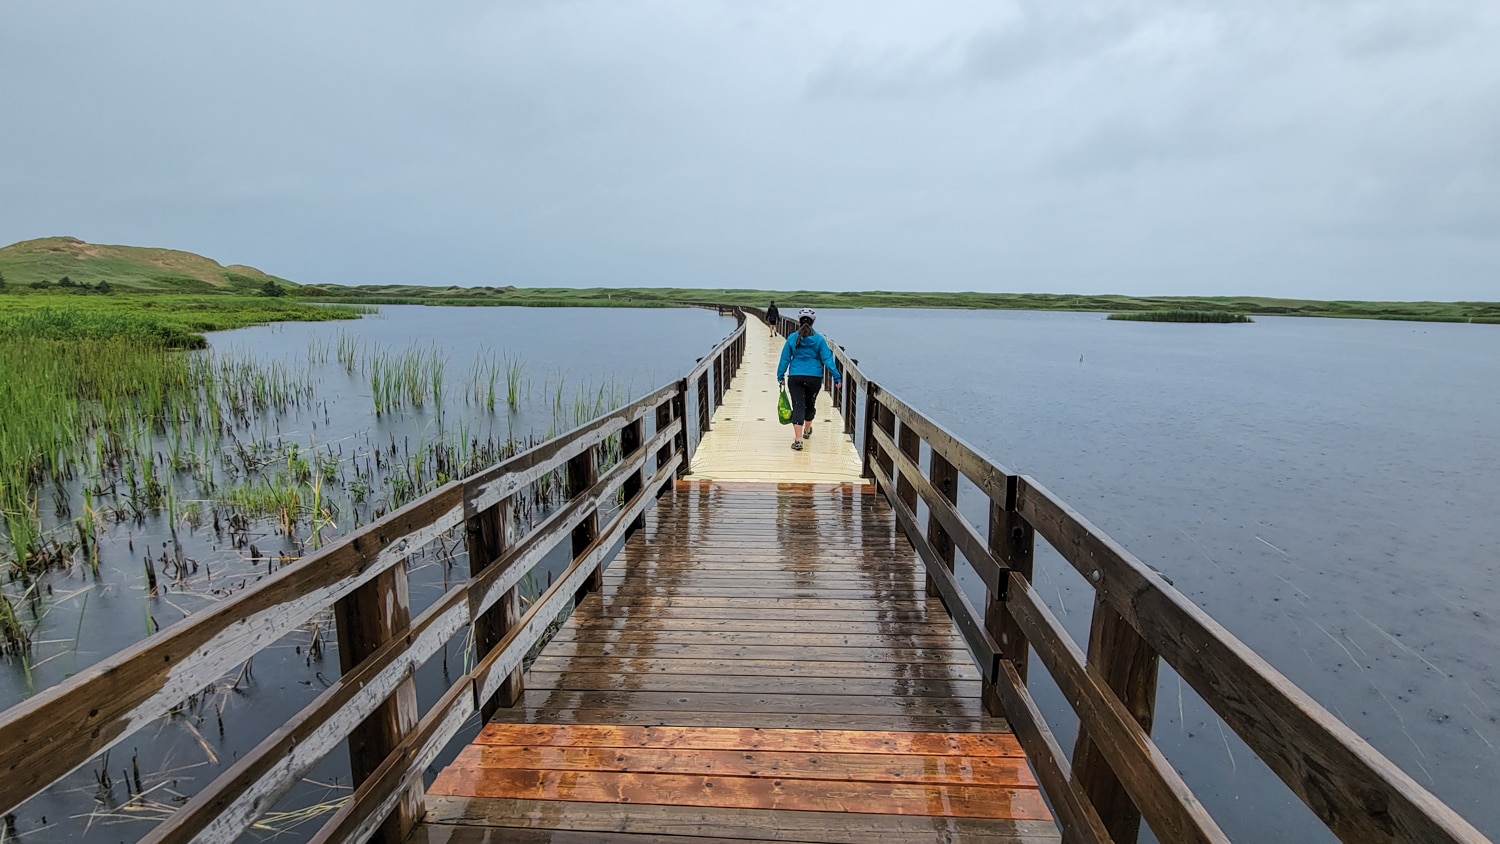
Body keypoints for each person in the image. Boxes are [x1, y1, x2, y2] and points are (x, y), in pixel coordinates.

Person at [776, 308, 842, 451]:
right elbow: (828, 360)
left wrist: (780, 376)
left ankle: (798, 440)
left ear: (799, 321)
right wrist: (837, 377)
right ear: (813, 322)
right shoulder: (819, 340)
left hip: (795, 376)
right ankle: (807, 430)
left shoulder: (792, 338)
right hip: (814, 377)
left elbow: (785, 359)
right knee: (810, 404)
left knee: (798, 405)